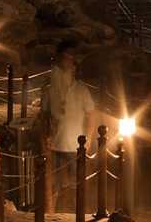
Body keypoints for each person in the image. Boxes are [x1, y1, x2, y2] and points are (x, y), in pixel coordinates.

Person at [42, 42, 96, 203]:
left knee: (78, 184)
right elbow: (44, 115)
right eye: (64, 59)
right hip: (55, 145)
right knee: (54, 185)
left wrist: (89, 139)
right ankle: (53, 211)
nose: (67, 63)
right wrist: (46, 137)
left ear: (74, 67)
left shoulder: (82, 90)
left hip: (76, 146)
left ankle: (78, 210)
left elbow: (91, 115)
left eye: (70, 60)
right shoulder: (50, 90)